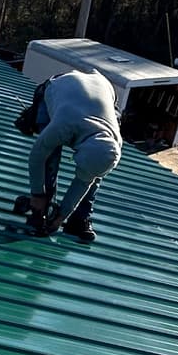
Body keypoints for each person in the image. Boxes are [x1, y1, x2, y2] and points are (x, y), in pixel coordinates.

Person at [23, 69, 122, 241]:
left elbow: (85, 181)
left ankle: (78, 218)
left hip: (103, 88)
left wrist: (62, 216)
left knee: (95, 175)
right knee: (49, 158)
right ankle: (41, 210)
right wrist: (37, 194)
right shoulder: (64, 124)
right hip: (60, 85)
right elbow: (37, 157)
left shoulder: (113, 145)